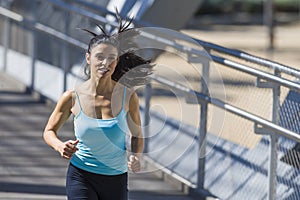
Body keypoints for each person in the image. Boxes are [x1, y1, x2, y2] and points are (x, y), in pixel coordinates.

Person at [43, 12, 152, 200]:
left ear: (117, 61)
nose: (105, 63)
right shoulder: (72, 97)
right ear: (88, 58)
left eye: (112, 58)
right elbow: (49, 131)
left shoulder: (127, 96)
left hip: (115, 178)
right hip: (81, 175)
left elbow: (136, 135)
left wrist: (136, 156)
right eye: (99, 57)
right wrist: (60, 146)